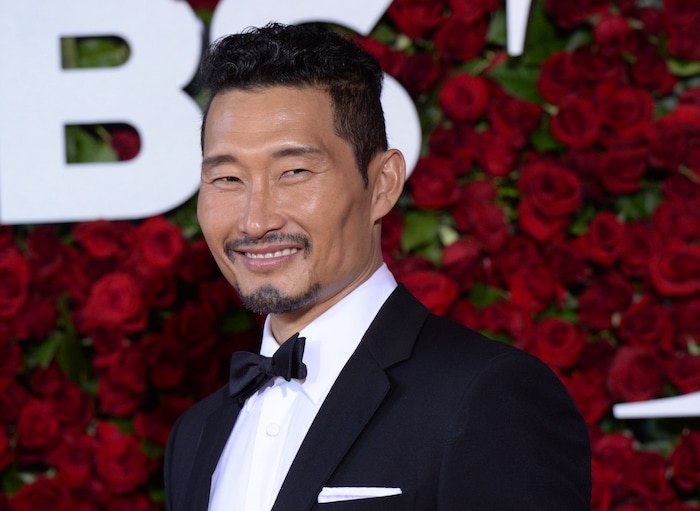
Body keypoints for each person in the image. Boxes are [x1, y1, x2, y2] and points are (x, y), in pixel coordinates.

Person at [164, 22, 591, 511]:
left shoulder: (486, 397)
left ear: (383, 184)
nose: (255, 221)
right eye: (227, 178)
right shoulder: (194, 436)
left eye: (294, 172)